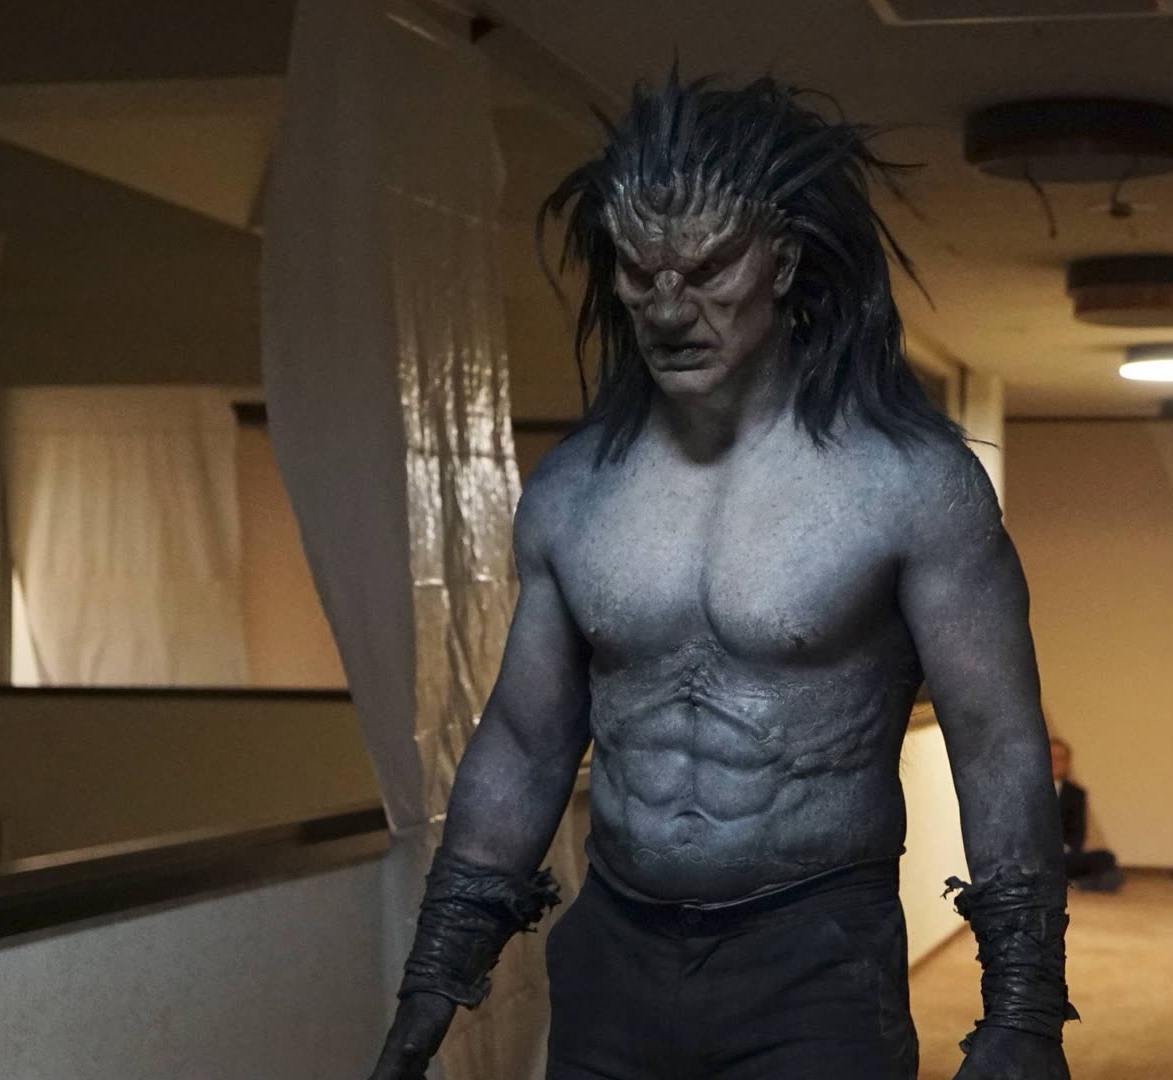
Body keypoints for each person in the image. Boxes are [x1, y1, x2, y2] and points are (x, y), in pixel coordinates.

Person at [366, 72, 1075, 1080]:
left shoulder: (908, 484)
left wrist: (1025, 1010)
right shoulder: (575, 490)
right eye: (638, 271)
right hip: (613, 951)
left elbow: (998, 742)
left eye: (705, 270)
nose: (667, 309)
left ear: (781, 258)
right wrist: (436, 973)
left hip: (815, 957)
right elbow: (524, 745)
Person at [1049, 736, 1122, 892]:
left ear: (1067, 763)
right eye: (1050, 757)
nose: (1054, 762)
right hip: (1032, 858)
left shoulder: (1076, 793)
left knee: (1106, 857)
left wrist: (1062, 849)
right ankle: (1086, 883)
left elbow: (1077, 834)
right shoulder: (1025, 790)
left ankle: (1079, 883)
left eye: (1060, 758)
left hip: (1063, 857)